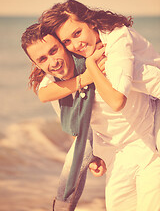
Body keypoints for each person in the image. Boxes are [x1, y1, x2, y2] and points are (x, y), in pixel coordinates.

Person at [21, 20, 160, 211]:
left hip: (147, 144)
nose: (53, 62)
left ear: (64, 45)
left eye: (54, 51)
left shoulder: (104, 62)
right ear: (36, 64)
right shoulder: (55, 86)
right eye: (42, 59)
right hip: (112, 151)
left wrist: (92, 69)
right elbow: (70, 121)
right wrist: (94, 157)